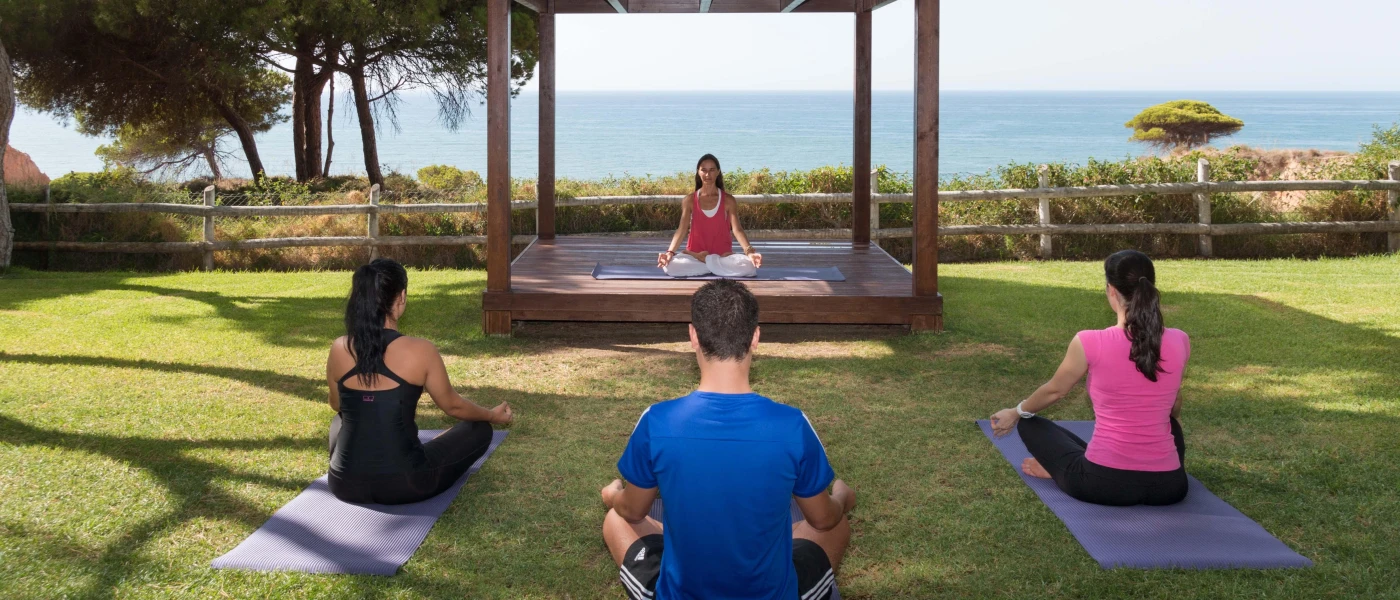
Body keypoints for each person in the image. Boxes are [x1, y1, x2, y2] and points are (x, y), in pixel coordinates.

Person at [600, 280, 855, 600]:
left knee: (616, 518)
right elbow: (823, 518)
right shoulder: (792, 425)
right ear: (756, 337)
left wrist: (613, 495)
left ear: (693, 336)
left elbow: (633, 511)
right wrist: (843, 497)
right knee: (837, 524)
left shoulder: (656, 421)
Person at [990, 250, 1190, 507]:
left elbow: (1055, 391)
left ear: (1111, 290)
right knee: (1170, 424)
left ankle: (1059, 469)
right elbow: (1174, 405)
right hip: (1170, 487)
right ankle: (1068, 465)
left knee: (1029, 422)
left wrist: (1016, 411)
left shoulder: (1090, 341)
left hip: (1103, 484)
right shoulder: (1180, 339)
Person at [325, 258, 513, 505]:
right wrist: (492, 416)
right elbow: (452, 406)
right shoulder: (421, 349)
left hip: (344, 484)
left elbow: (337, 405)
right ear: (401, 296)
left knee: (340, 420)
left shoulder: (340, 347)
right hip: (407, 484)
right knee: (478, 429)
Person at [656, 154, 764, 278]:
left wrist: (750, 253)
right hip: (696, 256)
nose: (708, 175)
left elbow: (737, 229)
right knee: (670, 266)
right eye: (704, 170)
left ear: (718, 172)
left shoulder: (728, 200)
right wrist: (670, 253)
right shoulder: (689, 200)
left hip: (722, 255)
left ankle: (709, 263)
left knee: (748, 266)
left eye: (712, 170)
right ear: (698, 172)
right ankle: (715, 265)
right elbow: (682, 229)